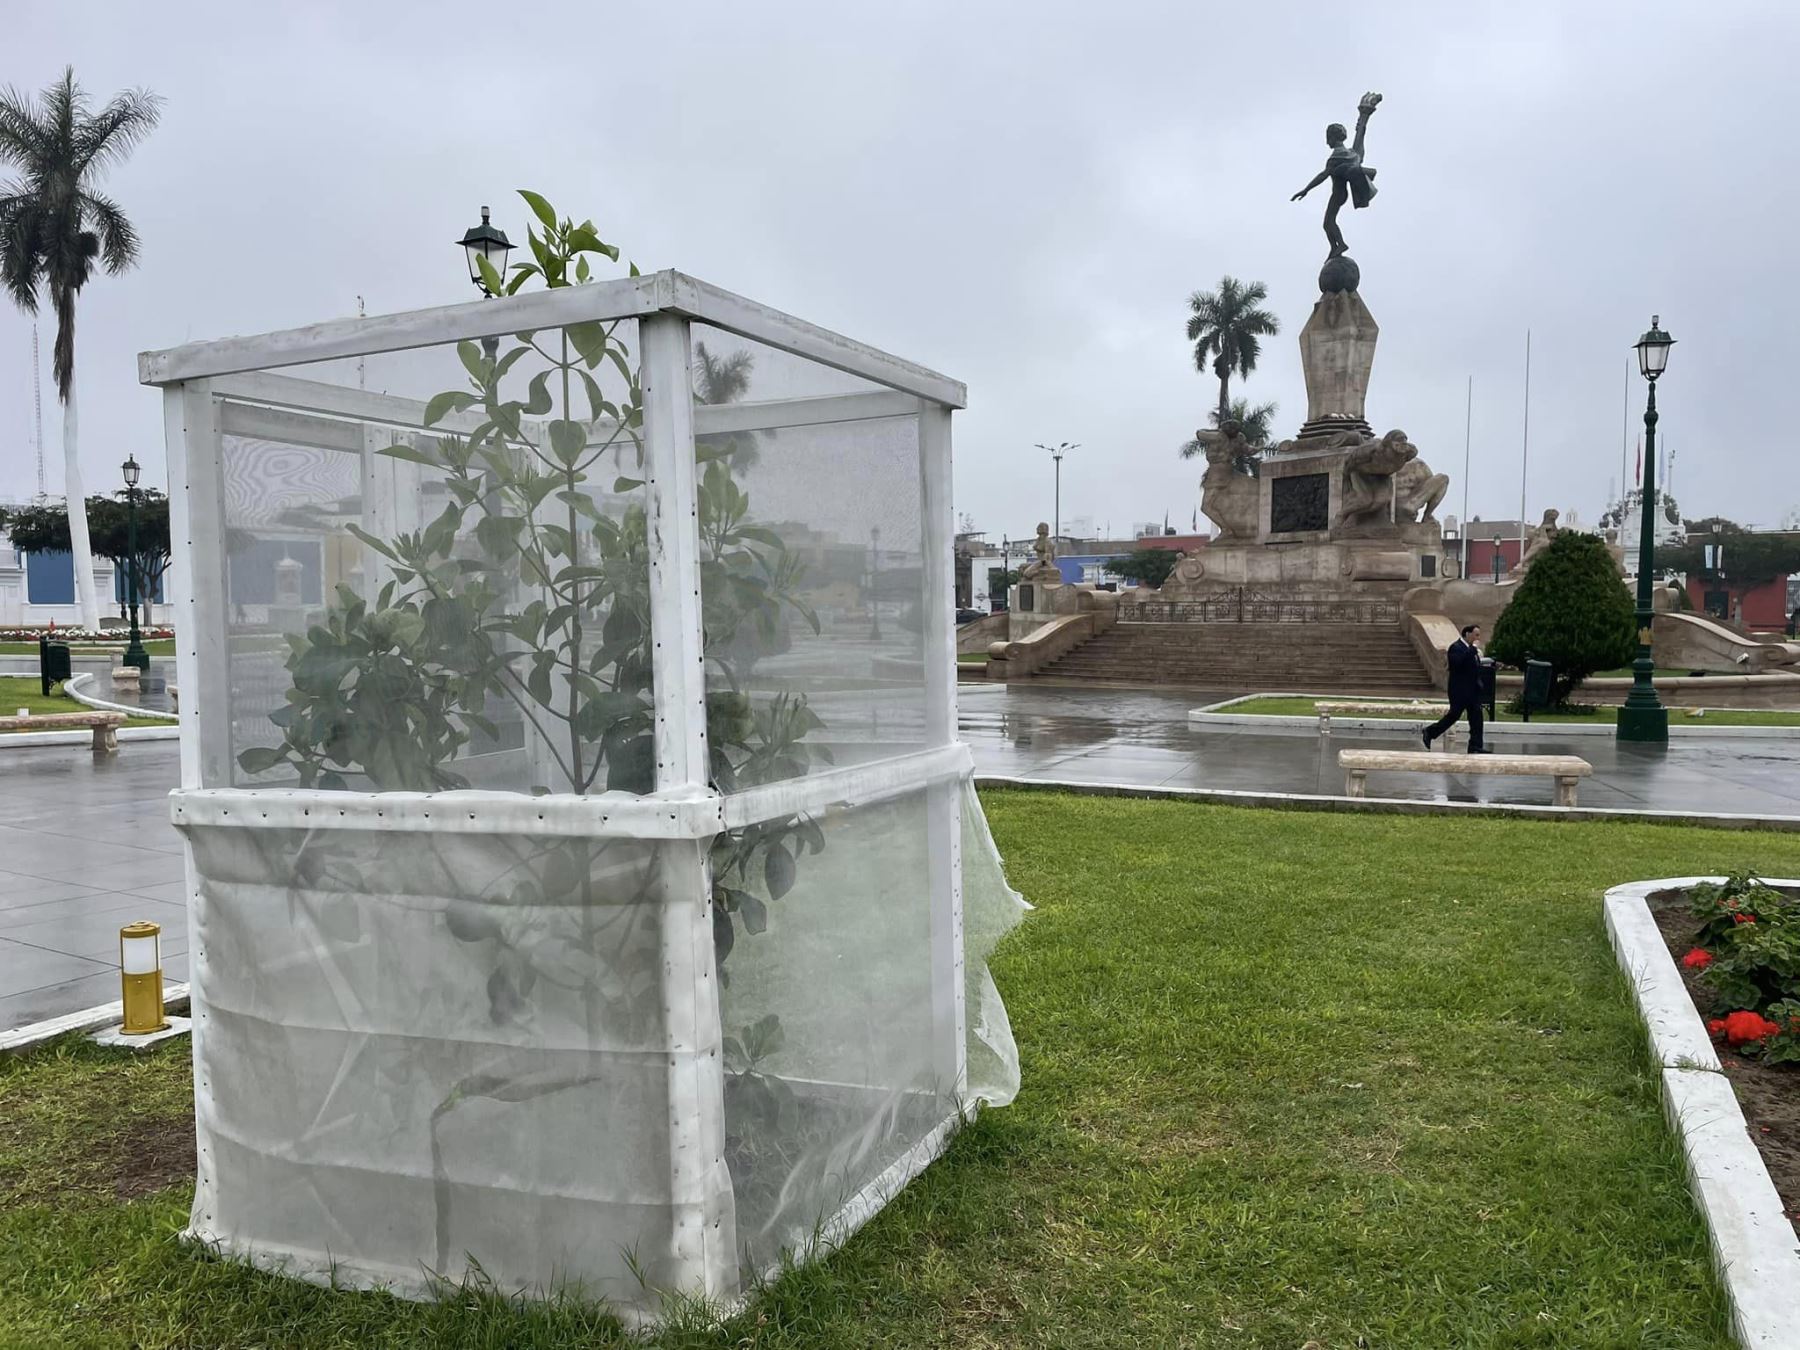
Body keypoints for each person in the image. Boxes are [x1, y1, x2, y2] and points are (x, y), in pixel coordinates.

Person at [1423, 624, 1491, 753]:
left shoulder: (1472, 650)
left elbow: (1473, 668)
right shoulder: (1456, 647)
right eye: (1476, 635)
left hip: (1473, 690)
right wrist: (1471, 652)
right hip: (1459, 690)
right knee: (1454, 715)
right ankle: (1430, 732)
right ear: (1467, 634)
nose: (1478, 637)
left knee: (1477, 718)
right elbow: (1456, 665)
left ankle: (1475, 746)